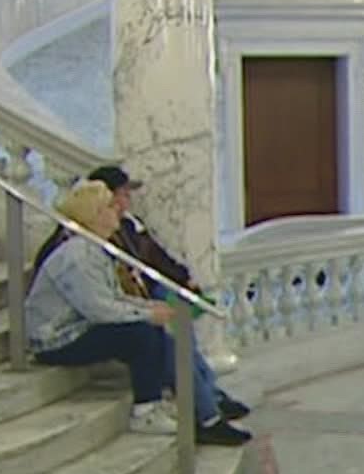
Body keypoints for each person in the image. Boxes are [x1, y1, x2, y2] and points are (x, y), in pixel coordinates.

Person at [26, 179, 252, 447]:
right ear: (95, 214)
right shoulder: (77, 255)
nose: (117, 211)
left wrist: (148, 308)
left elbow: (112, 298)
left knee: (164, 337)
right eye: (110, 206)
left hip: (80, 325)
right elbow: (99, 309)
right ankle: (149, 409)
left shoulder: (95, 248)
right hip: (56, 338)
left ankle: (206, 415)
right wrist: (147, 315)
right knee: (144, 334)